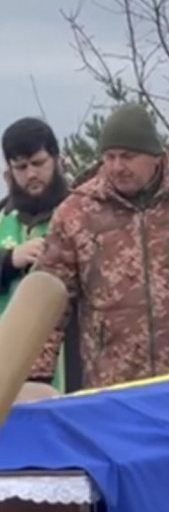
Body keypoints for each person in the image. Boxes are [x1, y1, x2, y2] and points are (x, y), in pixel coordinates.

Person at [30, 104, 169, 390]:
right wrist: (34, 378)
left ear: (155, 156)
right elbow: (49, 298)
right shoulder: (76, 214)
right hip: (112, 386)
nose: (117, 167)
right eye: (110, 157)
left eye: (127, 156)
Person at [0, 118, 76, 390]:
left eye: (38, 163)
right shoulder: (2, 219)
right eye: (21, 167)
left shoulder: (81, 214)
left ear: (57, 159)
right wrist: (9, 261)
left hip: (70, 364)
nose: (31, 174)